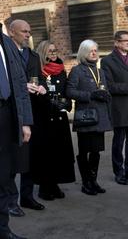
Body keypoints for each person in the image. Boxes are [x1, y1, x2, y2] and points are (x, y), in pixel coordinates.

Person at [8, 20, 46, 214]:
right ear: (11, 32)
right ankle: (11, 202)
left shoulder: (33, 56)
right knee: (14, 158)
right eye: (24, 31)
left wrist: (41, 87)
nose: (28, 35)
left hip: (32, 110)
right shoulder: (5, 54)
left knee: (29, 157)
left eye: (29, 32)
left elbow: (39, 77)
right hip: (12, 112)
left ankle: (27, 197)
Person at [67, 40, 112, 195]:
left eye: (96, 50)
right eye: (90, 51)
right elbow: (70, 92)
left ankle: (94, 181)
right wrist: (90, 95)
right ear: (83, 53)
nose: (94, 53)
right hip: (85, 117)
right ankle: (86, 182)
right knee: (85, 151)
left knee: (96, 152)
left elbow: (106, 90)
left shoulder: (101, 72)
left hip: (100, 116)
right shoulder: (77, 70)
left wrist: (106, 95)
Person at [101, 31, 128, 184]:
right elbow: (110, 86)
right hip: (120, 107)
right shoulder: (107, 61)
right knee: (119, 142)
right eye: (125, 40)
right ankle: (118, 172)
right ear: (116, 42)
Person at [1, 23, 32, 239]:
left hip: (6, 115)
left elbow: (20, 85)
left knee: (3, 176)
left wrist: (25, 121)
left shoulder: (7, 44)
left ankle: (3, 229)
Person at [33, 40, 76, 200]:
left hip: (59, 116)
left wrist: (66, 102)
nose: (53, 52)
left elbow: (66, 89)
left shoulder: (60, 68)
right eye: (50, 50)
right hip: (44, 117)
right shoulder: (38, 69)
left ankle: (55, 183)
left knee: (60, 152)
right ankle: (45, 187)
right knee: (46, 154)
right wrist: (48, 102)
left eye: (54, 50)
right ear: (43, 52)